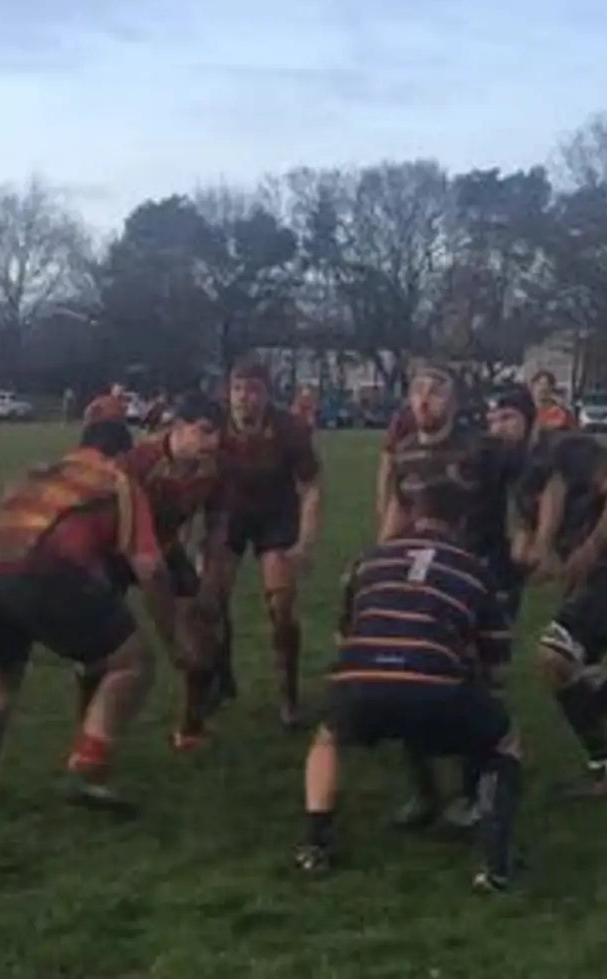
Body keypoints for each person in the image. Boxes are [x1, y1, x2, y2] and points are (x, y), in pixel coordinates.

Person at [294, 479, 523, 893]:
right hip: (432, 687)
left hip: (358, 685)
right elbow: (498, 665)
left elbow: (343, 635)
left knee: (328, 738)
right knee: (504, 741)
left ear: (415, 515)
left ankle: (315, 843)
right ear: (463, 522)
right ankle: (495, 862)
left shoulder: (369, 559)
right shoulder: (474, 570)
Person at [0, 420, 172, 814]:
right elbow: (149, 566)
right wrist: (172, 634)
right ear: (121, 452)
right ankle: (88, 769)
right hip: (41, 569)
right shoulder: (117, 478)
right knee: (133, 662)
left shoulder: (37, 470)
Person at [488, 387, 607, 794]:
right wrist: (527, 554)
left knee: (554, 658)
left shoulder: (568, 448)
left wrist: (591, 547)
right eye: (492, 421)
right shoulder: (511, 467)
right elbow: (524, 531)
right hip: (584, 575)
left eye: (508, 419)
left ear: (531, 419)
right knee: (579, 664)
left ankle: (605, 765)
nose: (498, 429)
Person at [378, 366, 529, 827]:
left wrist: (528, 535)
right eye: (417, 391)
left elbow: (531, 490)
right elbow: (397, 515)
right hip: (429, 582)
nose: (425, 400)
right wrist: (377, 563)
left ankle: (472, 794)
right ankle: (424, 792)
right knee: (409, 675)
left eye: (436, 391)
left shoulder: (485, 450)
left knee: (477, 681)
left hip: (484, 579)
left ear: (455, 402)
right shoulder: (402, 454)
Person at [117, 392, 230, 749]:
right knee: (99, 648)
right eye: (204, 431)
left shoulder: (215, 467)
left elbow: (217, 525)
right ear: (178, 428)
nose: (212, 442)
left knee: (202, 639)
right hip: (115, 551)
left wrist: (211, 578)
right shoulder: (139, 461)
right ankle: (88, 732)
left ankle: (189, 729)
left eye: (217, 434)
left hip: (164, 548)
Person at [214, 358, 323, 726]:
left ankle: (288, 697)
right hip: (227, 517)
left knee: (282, 606)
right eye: (239, 390)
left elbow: (311, 487)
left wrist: (305, 541)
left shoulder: (289, 429)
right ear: (228, 393)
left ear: (267, 394)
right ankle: (221, 676)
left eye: (254, 390)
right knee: (212, 601)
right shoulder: (214, 427)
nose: (246, 398)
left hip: (275, 518)